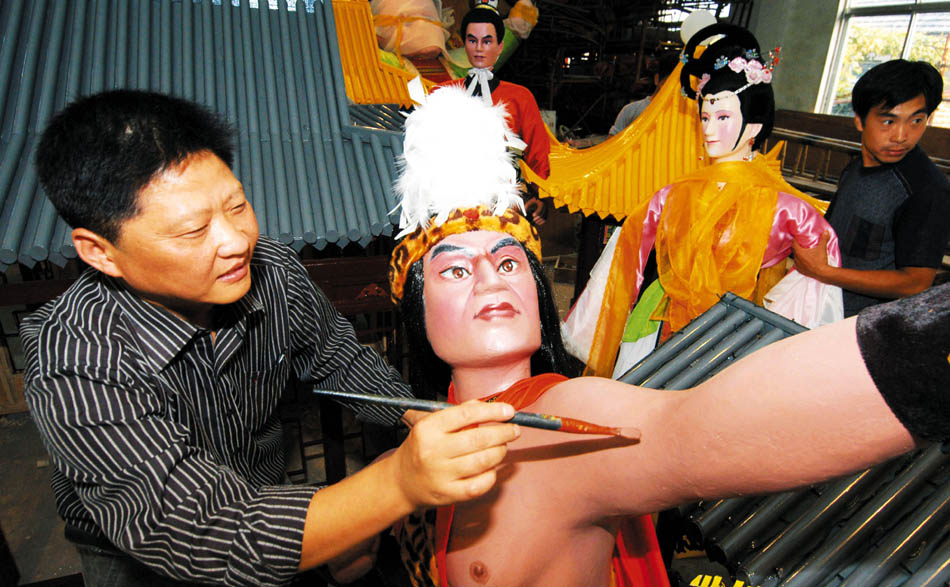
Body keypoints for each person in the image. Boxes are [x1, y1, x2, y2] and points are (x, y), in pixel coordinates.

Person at [330, 85, 947, 587]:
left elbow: (693, 431)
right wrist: (380, 505)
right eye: (456, 269)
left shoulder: (567, 421)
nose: (492, 278)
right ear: (416, 309)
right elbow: (346, 556)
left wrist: (928, 343)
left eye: (510, 260)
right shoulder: (405, 455)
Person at [23, 89, 520, 586]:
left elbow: (340, 359)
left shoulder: (272, 273)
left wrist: (416, 414)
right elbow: (203, 531)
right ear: (100, 252)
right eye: (193, 232)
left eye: (237, 206)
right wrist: (396, 484)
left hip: (265, 492)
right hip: (142, 556)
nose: (237, 241)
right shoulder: (73, 357)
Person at [562, 23, 844, 378]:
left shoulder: (790, 209)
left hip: (740, 337)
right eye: (705, 117)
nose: (709, 129)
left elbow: (816, 283)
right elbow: (624, 261)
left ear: (755, 126)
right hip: (663, 322)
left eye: (724, 117)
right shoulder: (673, 194)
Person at [792, 59, 950, 317]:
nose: (901, 135)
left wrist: (824, 273)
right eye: (888, 121)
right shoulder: (854, 170)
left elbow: (915, 282)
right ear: (860, 120)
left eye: (916, 120)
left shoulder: (926, 190)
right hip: (823, 310)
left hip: (866, 331)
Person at [436, 2, 550, 224]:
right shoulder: (440, 93)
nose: (479, 48)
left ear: (500, 47)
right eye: (472, 40)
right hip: (450, 208)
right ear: (463, 44)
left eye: (487, 41)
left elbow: (539, 157)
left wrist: (541, 198)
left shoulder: (520, 97)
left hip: (507, 209)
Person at [608, 51, 681, 136]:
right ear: (657, 79)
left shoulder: (687, 119)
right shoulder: (631, 111)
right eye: (672, 83)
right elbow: (612, 143)